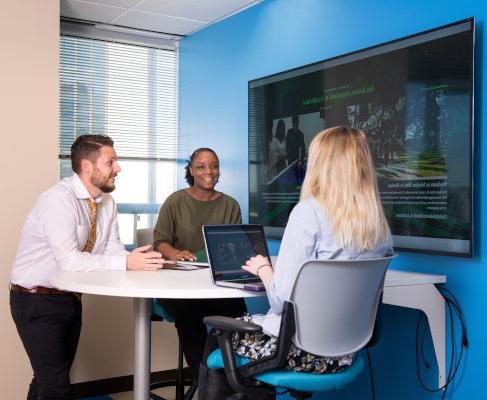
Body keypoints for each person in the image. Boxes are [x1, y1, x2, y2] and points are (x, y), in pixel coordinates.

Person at [198, 126, 393, 400]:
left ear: (320, 165)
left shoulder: (309, 213)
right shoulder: (379, 225)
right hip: (345, 355)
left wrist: (264, 269)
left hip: (297, 353)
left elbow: (281, 301)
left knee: (217, 335)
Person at [9, 135, 165, 400]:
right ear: (87, 166)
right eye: (111, 161)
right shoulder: (58, 200)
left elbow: (111, 249)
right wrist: (125, 262)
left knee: (47, 381)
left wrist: (135, 258)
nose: (118, 168)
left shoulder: (107, 203)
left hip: (69, 298)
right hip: (35, 300)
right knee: (55, 387)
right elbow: (69, 261)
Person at [153, 148, 247, 380]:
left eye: (214, 165)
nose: (209, 171)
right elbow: (160, 241)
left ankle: (236, 380)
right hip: (180, 288)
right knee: (190, 317)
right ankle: (206, 382)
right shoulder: (175, 201)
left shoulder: (230, 205)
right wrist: (175, 253)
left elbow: (234, 246)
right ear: (191, 171)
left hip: (217, 285)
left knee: (239, 313)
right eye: (201, 166)